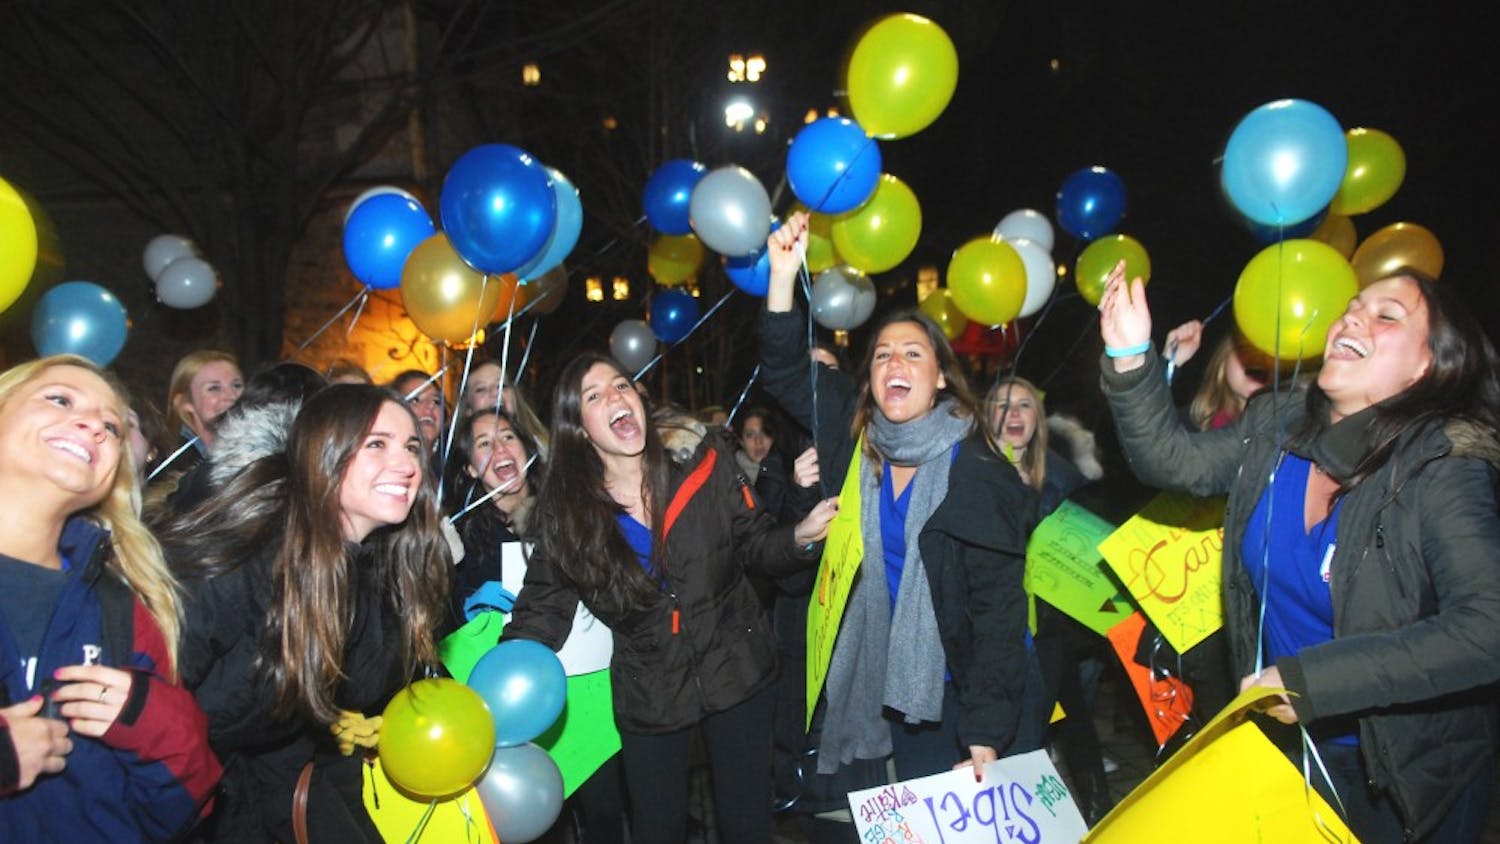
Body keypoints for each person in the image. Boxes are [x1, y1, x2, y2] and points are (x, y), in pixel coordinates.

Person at [1098, 263, 1500, 843]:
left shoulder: (1439, 467)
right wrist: (1131, 355)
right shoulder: (1278, 421)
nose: (1354, 315)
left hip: (1400, 772)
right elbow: (1172, 461)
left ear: (1428, 366)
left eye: (1387, 315)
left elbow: (1486, 628)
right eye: (1353, 305)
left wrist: (1313, 681)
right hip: (1286, 746)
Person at [760, 213, 1045, 837]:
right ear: (868, 377)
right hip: (892, 686)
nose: (896, 362)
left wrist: (985, 733)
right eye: (883, 353)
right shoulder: (852, 441)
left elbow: (999, 613)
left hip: (966, 687)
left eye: (913, 353)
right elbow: (783, 369)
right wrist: (783, 275)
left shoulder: (978, 471)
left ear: (940, 376)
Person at [503, 353, 837, 844]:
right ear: (578, 427)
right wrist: (501, 677)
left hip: (736, 666)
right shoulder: (568, 515)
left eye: (621, 385)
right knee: (657, 829)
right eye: (595, 396)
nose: (616, 398)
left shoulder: (702, 461)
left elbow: (755, 544)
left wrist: (800, 537)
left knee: (747, 826)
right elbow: (540, 611)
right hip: (649, 690)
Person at [161, 384, 451, 843]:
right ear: (325, 452)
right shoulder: (254, 547)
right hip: (172, 791)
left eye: (412, 447)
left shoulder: (375, 572)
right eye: (376, 444)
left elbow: (305, 724)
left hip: (264, 779)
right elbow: (154, 685)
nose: (407, 464)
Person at [0, 355, 221, 841]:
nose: (94, 427)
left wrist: (156, 721)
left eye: (113, 427)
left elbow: (183, 810)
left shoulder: (123, 608)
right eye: (60, 399)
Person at [986, 376, 1113, 824]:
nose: (1014, 414)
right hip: (997, 618)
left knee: (1063, 710)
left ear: (1037, 419)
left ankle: (1096, 812)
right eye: (1003, 404)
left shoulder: (1061, 476)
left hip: (1051, 622)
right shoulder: (972, 472)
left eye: (1024, 404)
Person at [459, 359, 551, 459]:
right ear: (468, 408)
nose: (495, 393)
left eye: (502, 386)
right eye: (481, 389)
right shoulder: (462, 457)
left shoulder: (546, 449)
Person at [164, 350, 244, 458]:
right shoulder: (178, 465)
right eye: (214, 388)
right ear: (184, 403)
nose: (232, 396)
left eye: (237, 385)